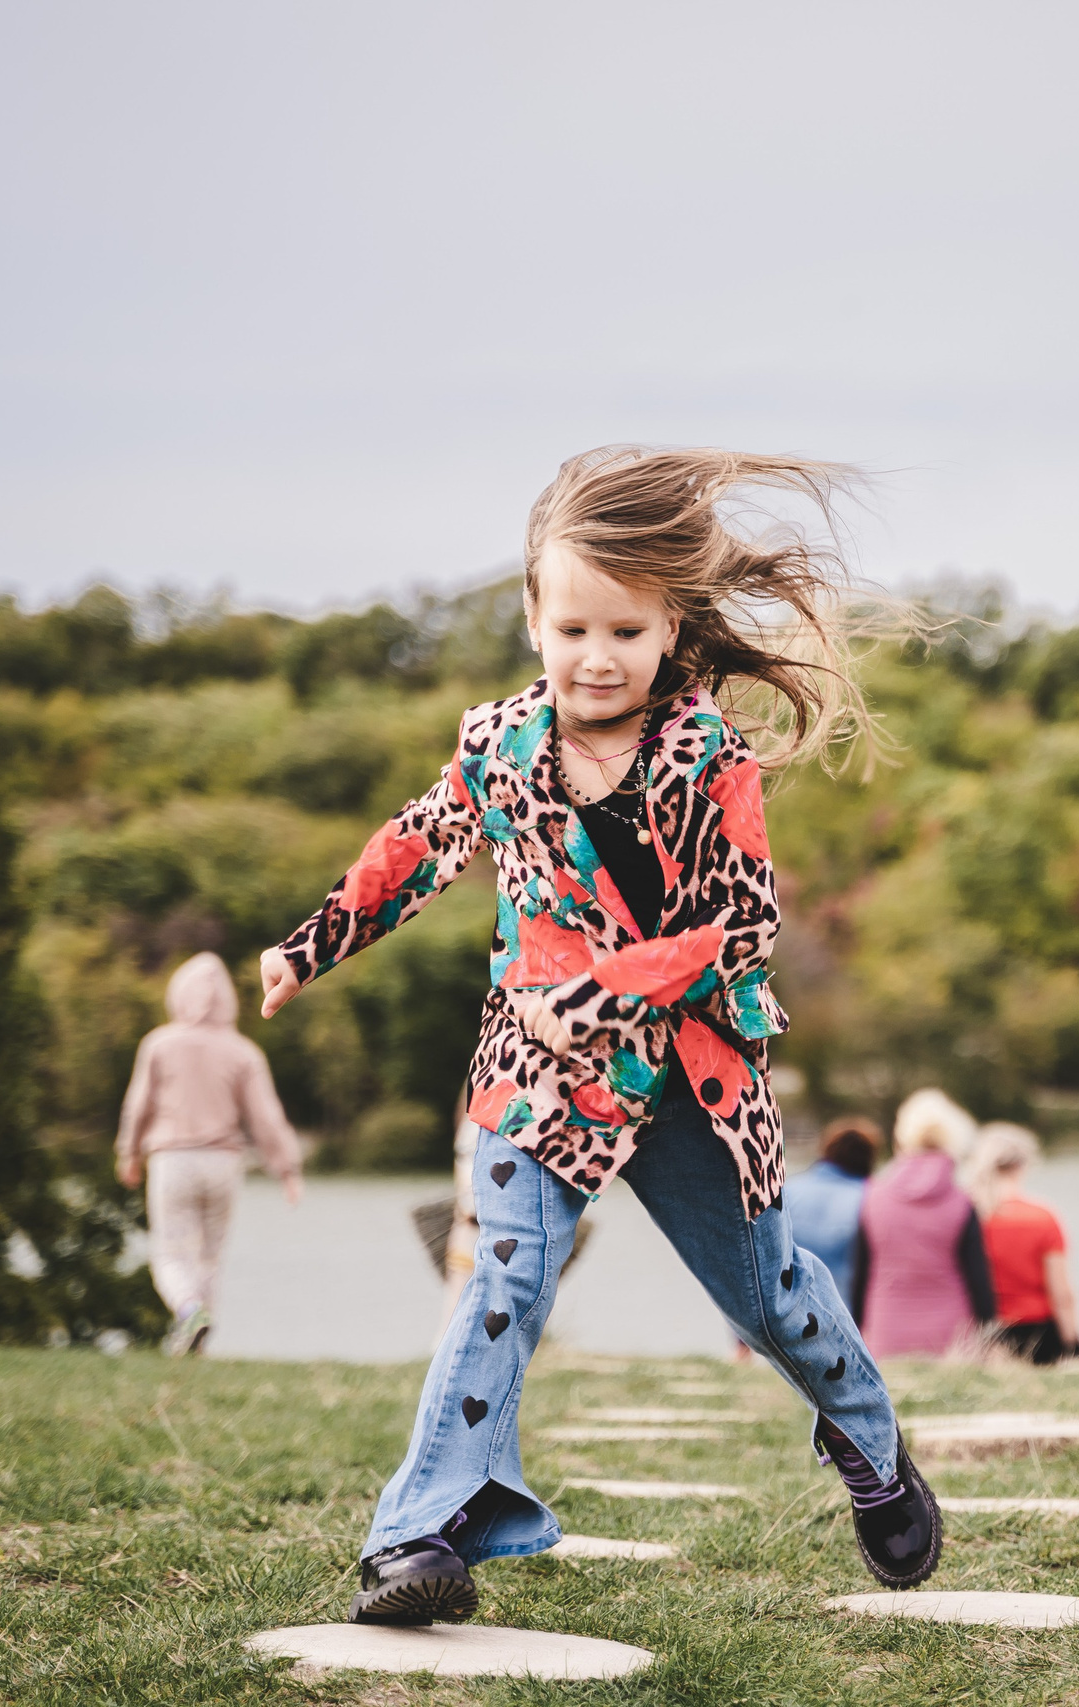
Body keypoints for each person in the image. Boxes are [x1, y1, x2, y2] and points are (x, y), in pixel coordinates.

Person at [256, 447, 940, 1628]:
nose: (596, 656)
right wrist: (308, 946)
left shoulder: (709, 758)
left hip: (690, 1073)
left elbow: (741, 923)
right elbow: (417, 843)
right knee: (501, 1285)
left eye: (624, 631)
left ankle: (871, 1447)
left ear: (670, 626)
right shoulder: (497, 746)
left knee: (768, 1300)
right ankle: (415, 1537)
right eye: (571, 628)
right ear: (533, 618)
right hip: (539, 1083)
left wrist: (610, 989)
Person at [113, 952, 304, 1357]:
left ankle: (189, 1310)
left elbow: (138, 1105)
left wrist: (128, 1154)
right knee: (209, 1258)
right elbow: (266, 1117)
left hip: (172, 1161)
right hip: (223, 1164)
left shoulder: (159, 1044)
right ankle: (196, 1343)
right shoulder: (243, 1051)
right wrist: (287, 1169)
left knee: (169, 1254)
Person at [853, 1089, 993, 1359]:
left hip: (886, 1326)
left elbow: (861, 1271)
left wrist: (858, 1328)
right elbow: (978, 1276)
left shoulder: (873, 1197)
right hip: (951, 1332)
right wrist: (989, 1333)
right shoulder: (962, 1202)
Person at [964, 1123, 1079, 1365]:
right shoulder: (1043, 1216)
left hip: (987, 1333)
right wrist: (1073, 1345)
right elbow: (1062, 1294)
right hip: (1039, 1332)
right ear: (1022, 1165)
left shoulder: (971, 1216)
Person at [783, 1116, 881, 1312]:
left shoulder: (787, 1192)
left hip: (788, 1314)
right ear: (870, 1157)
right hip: (846, 1318)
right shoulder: (874, 1200)